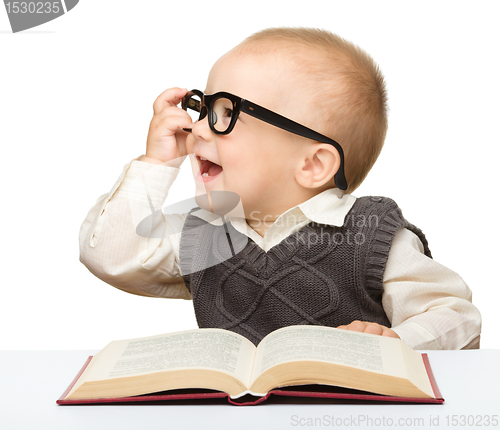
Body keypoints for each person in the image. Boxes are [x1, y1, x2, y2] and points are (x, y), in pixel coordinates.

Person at [79, 27, 480, 349]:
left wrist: (396, 341)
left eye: (226, 114)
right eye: (204, 108)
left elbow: (454, 314)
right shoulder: (203, 233)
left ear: (312, 165)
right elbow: (112, 257)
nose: (196, 128)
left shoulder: (371, 234)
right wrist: (155, 163)